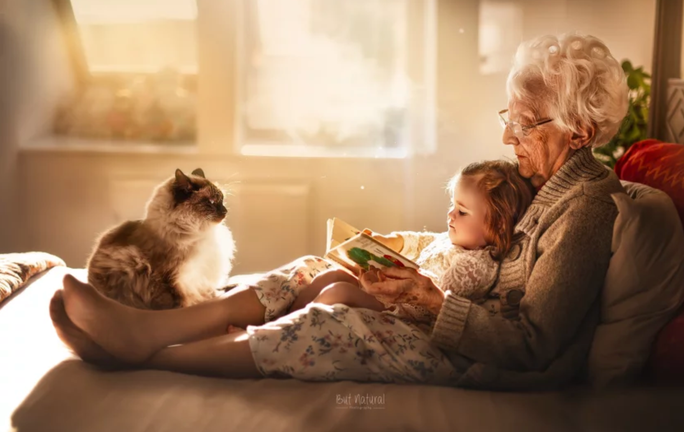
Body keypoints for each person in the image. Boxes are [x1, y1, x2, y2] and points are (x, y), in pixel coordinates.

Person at [50, 33, 628, 389]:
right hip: (454, 315)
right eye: (509, 116)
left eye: (524, 123)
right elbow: (481, 242)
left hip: (490, 363)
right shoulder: (536, 180)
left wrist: (429, 300)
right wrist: (397, 252)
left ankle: (150, 355)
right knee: (314, 268)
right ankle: (153, 328)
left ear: (578, 132)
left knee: (334, 325)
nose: (508, 137)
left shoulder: (585, 210)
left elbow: (533, 344)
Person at [306, 160, 534, 332]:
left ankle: (297, 327)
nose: (451, 214)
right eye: (452, 205)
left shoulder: (473, 266)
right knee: (332, 275)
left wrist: (384, 283)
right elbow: (422, 240)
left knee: (339, 291)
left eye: (462, 212)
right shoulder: (456, 240)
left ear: (498, 225)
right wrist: (387, 242)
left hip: (407, 315)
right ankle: (287, 318)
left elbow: (433, 301)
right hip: (392, 298)